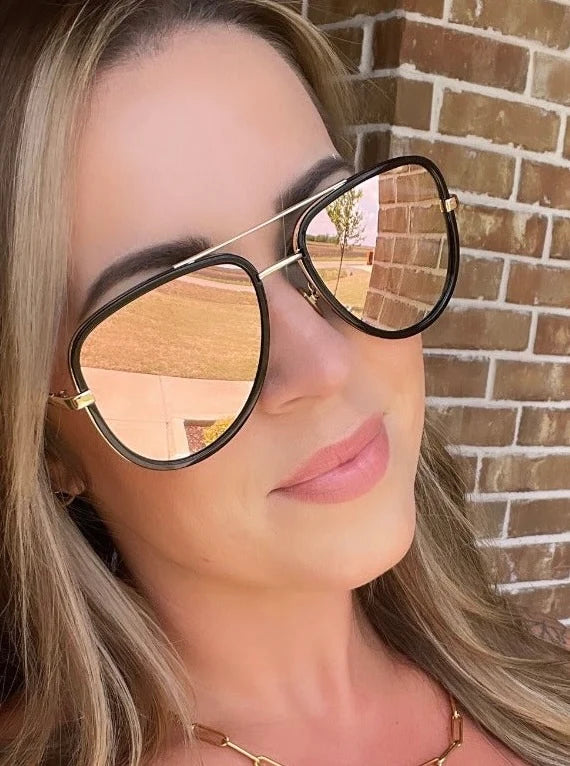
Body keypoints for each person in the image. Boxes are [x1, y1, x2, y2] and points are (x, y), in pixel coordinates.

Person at [0, 2, 568, 765]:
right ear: (47, 443)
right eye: (178, 323)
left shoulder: (540, 687)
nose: (326, 364)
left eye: (338, 231)